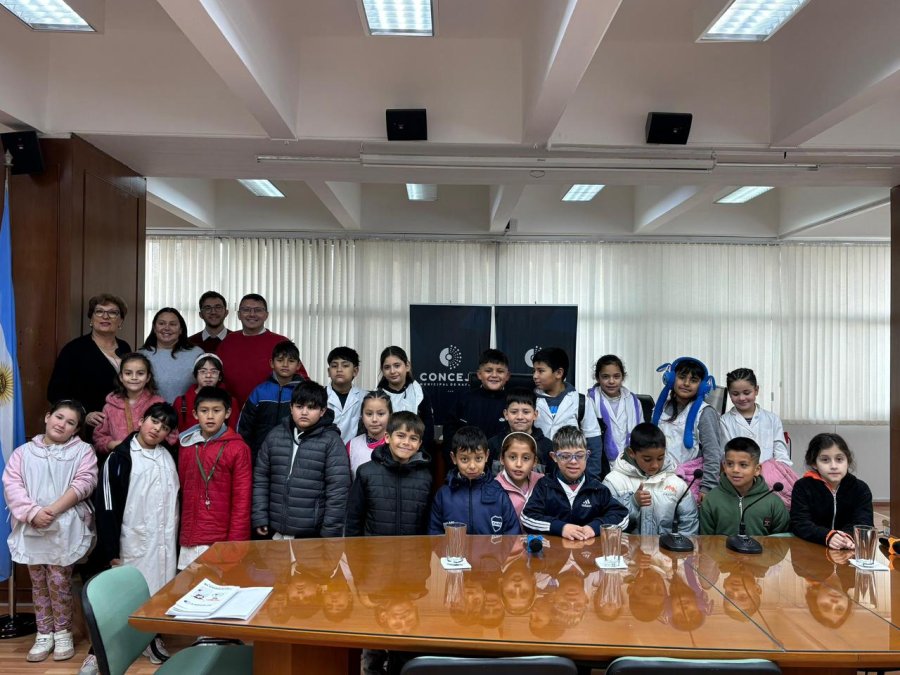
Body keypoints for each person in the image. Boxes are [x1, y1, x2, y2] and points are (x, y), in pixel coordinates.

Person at [2, 400, 97, 663]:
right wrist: (33, 513)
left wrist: (52, 510)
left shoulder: (82, 452)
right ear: (47, 417)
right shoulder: (23, 452)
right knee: (38, 582)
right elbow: (12, 485)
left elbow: (85, 482)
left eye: (70, 423)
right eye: (58, 417)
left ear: (76, 430)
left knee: (59, 580)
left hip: (64, 524)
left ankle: (63, 631)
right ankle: (44, 633)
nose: (62, 424)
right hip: (31, 524)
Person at [94, 402, 179, 665]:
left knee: (159, 589)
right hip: (133, 540)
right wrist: (110, 551)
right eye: (155, 421)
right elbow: (106, 507)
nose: (157, 429)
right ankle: (126, 644)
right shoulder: (120, 458)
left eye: (165, 427)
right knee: (135, 593)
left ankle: (152, 637)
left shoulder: (167, 456)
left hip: (164, 540)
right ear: (141, 420)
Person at [253, 380, 351, 539]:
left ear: (322, 411)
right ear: (291, 408)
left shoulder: (332, 441)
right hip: (275, 532)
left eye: (311, 407)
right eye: (299, 406)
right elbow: (261, 479)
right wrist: (260, 516)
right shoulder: (275, 436)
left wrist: (330, 533)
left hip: (312, 536)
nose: (304, 412)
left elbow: (338, 491)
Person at [177, 386, 252, 569]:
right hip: (189, 537)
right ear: (195, 414)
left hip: (220, 540)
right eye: (204, 411)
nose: (210, 416)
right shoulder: (187, 446)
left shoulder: (238, 448)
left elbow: (242, 500)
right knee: (188, 590)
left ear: (227, 413)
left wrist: (235, 545)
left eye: (216, 411)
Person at [521, 426, 628, 541]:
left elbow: (622, 516)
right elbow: (527, 517)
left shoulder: (597, 489)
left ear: (587, 455)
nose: (573, 461)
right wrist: (561, 528)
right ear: (554, 457)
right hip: (553, 555)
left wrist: (595, 527)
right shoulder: (544, 485)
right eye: (565, 456)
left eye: (580, 455)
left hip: (588, 554)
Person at [47, 293, 131, 430]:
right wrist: (83, 415)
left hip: (122, 424)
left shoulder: (124, 347)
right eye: (99, 312)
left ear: (121, 321)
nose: (105, 316)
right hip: (89, 427)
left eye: (113, 313)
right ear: (91, 319)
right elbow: (55, 392)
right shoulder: (74, 349)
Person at [345, 411, 432, 536]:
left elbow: (426, 523)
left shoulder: (425, 477)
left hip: (411, 552)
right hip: (372, 552)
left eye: (413, 438)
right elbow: (353, 520)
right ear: (387, 437)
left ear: (419, 444)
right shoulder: (366, 473)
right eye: (401, 435)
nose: (406, 442)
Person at [603, 422, 699, 535]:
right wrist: (633, 503)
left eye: (660, 458)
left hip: (666, 551)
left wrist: (678, 549)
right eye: (647, 459)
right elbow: (606, 522)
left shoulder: (677, 484)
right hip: (626, 550)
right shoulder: (613, 481)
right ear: (631, 453)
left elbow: (689, 526)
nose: (655, 465)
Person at [720, 367, 796, 507]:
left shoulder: (772, 419)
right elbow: (725, 454)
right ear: (729, 394)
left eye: (747, 392)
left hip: (772, 482)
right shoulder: (724, 421)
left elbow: (781, 452)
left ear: (756, 390)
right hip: (740, 481)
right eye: (735, 394)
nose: (742, 398)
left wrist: (774, 474)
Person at [651, 357, 724, 499]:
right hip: (659, 476)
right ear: (672, 379)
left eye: (693, 380)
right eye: (682, 377)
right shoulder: (660, 408)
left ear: (702, 386)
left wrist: (707, 487)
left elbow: (713, 453)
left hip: (690, 481)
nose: (686, 383)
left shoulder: (705, 412)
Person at [217, 293, 309, 406]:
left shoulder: (280, 342)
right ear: (239, 314)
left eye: (258, 310)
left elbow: (301, 379)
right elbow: (217, 377)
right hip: (232, 412)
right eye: (246, 309)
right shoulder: (228, 342)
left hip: (274, 412)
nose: (252, 314)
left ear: (266, 315)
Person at [428, 426, 521, 536]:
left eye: (478, 458)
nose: (472, 466)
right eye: (464, 459)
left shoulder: (498, 493)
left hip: (492, 553)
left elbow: (512, 534)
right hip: (454, 553)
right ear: (453, 458)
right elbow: (434, 534)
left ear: (486, 456)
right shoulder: (443, 495)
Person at [531, 347, 606, 480]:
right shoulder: (531, 401)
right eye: (534, 371)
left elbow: (593, 443)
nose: (535, 376)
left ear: (559, 373)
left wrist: (591, 478)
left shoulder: (581, 401)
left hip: (571, 474)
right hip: (538, 473)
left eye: (541, 371)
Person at [790, 433, 873, 549]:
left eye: (839, 459)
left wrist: (847, 536)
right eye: (825, 460)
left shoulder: (860, 488)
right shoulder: (803, 486)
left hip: (848, 548)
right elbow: (799, 523)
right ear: (814, 463)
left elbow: (865, 523)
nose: (833, 466)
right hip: (812, 548)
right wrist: (827, 536)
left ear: (847, 461)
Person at [91, 352, 177, 458]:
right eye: (128, 373)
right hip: (120, 461)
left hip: (152, 461)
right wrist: (114, 444)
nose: (134, 377)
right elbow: (99, 438)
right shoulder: (110, 407)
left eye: (140, 373)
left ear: (148, 377)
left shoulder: (158, 403)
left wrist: (150, 443)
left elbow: (172, 434)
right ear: (121, 377)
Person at [700, 437, 790, 536]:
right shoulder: (711, 499)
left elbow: (781, 544)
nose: (735, 470)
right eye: (730, 464)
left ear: (757, 469)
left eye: (743, 465)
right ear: (724, 466)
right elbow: (706, 542)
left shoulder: (773, 503)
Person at [237, 340, 305, 464]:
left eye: (291, 361)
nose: (285, 364)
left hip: (293, 455)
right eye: (280, 360)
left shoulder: (304, 392)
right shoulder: (260, 392)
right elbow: (244, 426)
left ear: (298, 365)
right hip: (259, 454)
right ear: (271, 363)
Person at [442, 349, 511, 460]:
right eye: (488, 371)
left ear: (507, 376)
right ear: (479, 374)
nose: (494, 375)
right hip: (468, 465)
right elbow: (450, 435)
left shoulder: (512, 402)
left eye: (500, 371)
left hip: (501, 466)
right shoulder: (464, 400)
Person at [588, 355, 649, 465]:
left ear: (622, 377)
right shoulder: (591, 401)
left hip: (631, 461)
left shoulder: (634, 402)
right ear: (597, 378)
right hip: (603, 462)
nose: (611, 381)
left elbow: (641, 432)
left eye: (616, 376)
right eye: (605, 377)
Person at [139, 307, 203, 403]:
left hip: (188, 413)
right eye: (161, 323)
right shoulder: (141, 355)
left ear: (181, 329)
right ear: (154, 328)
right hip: (151, 414)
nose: (167, 328)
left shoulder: (197, 354)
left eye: (172, 324)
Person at [377, 346, 435, 447]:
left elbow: (428, 429)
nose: (392, 371)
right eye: (387, 367)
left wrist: (419, 452)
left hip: (416, 453)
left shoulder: (419, 393)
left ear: (407, 366)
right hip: (385, 454)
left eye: (397, 365)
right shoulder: (377, 396)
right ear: (382, 370)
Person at [487, 387, 553, 469]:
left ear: (535, 415)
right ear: (506, 414)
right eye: (514, 412)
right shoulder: (493, 444)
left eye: (526, 412)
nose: (520, 417)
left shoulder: (548, 447)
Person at [172, 353, 239, 433]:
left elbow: (232, 432)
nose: (208, 375)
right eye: (203, 371)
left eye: (214, 372)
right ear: (195, 375)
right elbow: (175, 434)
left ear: (220, 376)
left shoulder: (231, 401)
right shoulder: (181, 402)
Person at [494, 431, 543, 519]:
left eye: (526, 458)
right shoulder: (494, 488)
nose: (519, 464)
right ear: (502, 459)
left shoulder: (542, 483)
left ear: (534, 461)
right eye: (512, 457)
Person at [348, 390, 392, 479]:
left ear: (390, 415)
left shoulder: (397, 444)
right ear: (362, 416)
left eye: (381, 414)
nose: (374, 419)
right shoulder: (352, 445)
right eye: (369, 414)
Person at [326, 346, 365, 445]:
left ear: (355, 371)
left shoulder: (365, 397)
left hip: (354, 451)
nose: (339, 369)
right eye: (334, 366)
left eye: (345, 365)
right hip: (324, 451)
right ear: (329, 372)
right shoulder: (319, 396)